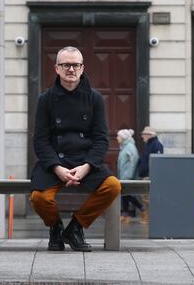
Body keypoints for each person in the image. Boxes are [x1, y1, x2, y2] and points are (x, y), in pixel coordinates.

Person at [30, 46, 121, 252]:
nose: (71, 69)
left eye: (75, 65)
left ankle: (75, 228)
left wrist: (87, 166)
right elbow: (41, 140)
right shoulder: (45, 99)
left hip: (84, 159)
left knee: (113, 186)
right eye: (66, 65)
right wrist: (56, 168)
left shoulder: (94, 98)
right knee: (39, 198)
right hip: (55, 160)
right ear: (57, 68)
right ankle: (55, 228)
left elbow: (101, 138)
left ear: (82, 68)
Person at [136, 126, 163, 223]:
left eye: (144, 134)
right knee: (145, 197)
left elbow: (156, 162)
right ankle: (148, 217)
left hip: (149, 175)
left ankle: (150, 218)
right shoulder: (149, 144)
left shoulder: (156, 145)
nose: (142, 136)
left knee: (148, 197)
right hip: (145, 174)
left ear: (149, 135)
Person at [116, 128, 144, 222]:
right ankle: (125, 214)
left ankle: (142, 208)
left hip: (127, 176)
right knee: (124, 194)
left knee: (126, 194)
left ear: (123, 137)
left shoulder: (130, 147)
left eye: (118, 136)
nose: (116, 138)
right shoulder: (124, 147)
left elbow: (133, 162)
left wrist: (128, 176)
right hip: (124, 175)